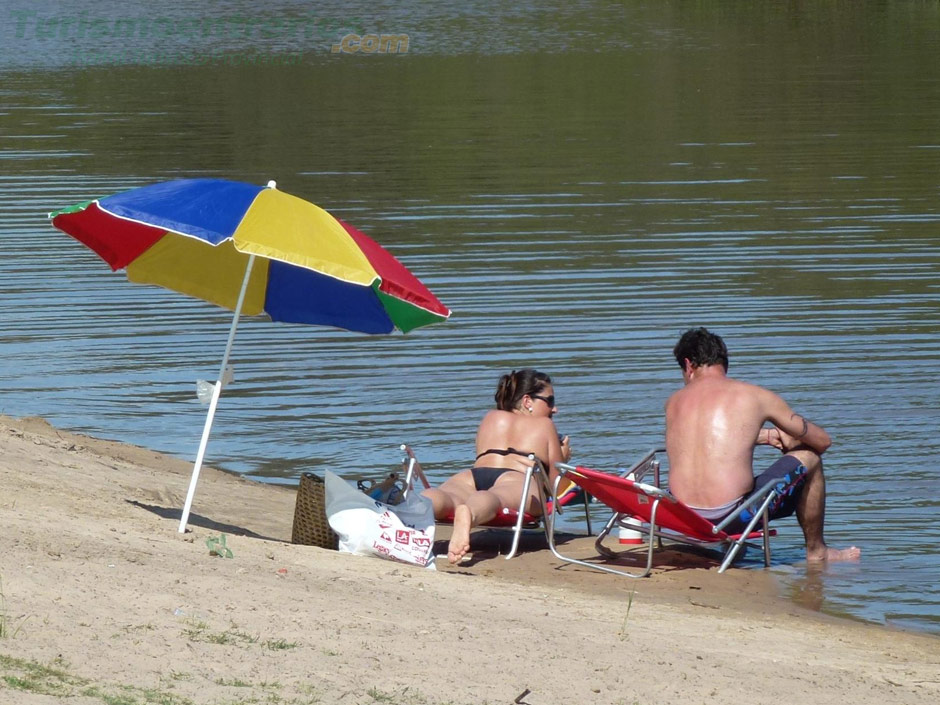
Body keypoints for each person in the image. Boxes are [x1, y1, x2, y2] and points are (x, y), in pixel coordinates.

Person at [664, 327, 860, 563]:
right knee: (811, 458)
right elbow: (822, 442)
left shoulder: (674, 402)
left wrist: (765, 436)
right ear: (723, 361)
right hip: (731, 517)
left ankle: (729, 545)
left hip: (682, 515)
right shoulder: (754, 396)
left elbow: (711, 442)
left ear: (687, 365)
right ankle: (817, 551)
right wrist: (786, 436)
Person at [422, 369, 571, 564]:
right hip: (515, 477)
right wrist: (564, 458)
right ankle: (469, 513)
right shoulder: (545, 425)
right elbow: (558, 488)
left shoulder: (491, 417)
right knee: (495, 498)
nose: (555, 409)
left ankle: (411, 508)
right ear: (527, 401)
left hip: (473, 475)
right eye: (549, 401)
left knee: (445, 496)